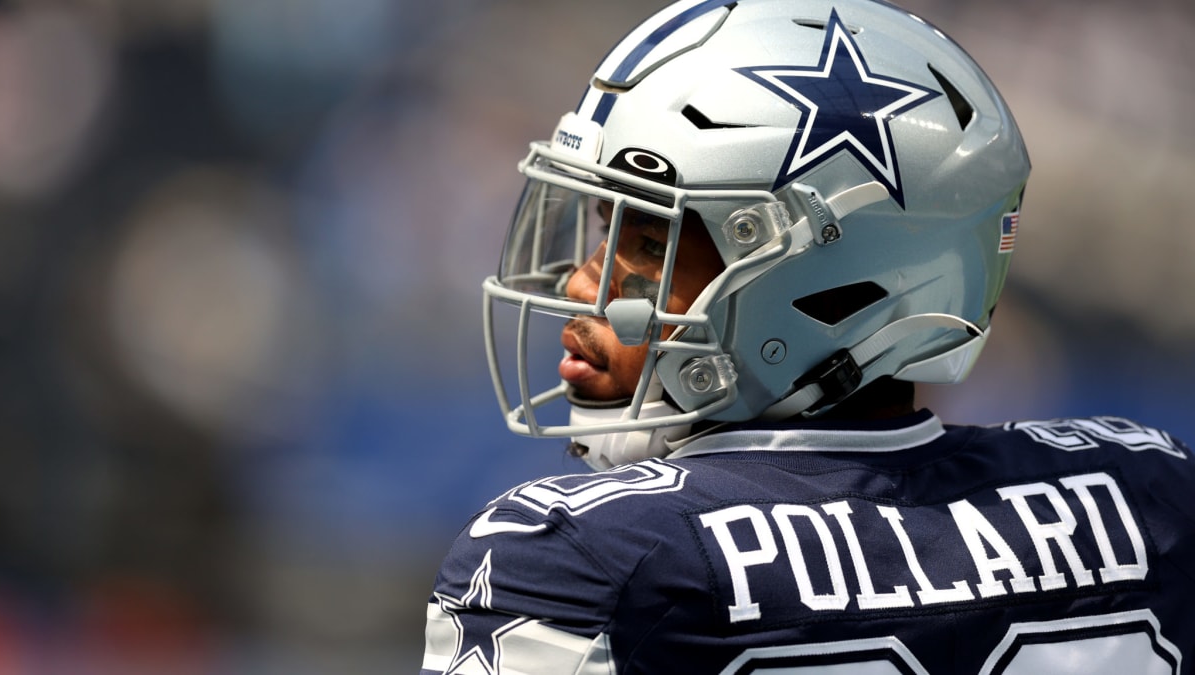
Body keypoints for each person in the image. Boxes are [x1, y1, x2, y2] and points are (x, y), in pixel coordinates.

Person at [422, 0, 1195, 672]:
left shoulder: (585, 556)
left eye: (650, 244)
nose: (583, 283)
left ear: (821, 279)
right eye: (604, 229)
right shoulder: (1146, 495)